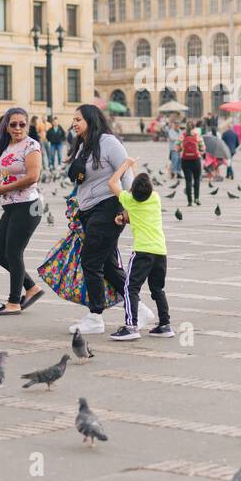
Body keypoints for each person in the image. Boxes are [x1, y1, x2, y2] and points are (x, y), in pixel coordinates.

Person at [67, 104, 133, 336]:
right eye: (73, 119)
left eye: (78, 119)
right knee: (106, 265)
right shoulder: (84, 145)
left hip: (109, 208)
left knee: (90, 261)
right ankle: (138, 308)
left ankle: (95, 316)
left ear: (91, 120)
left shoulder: (109, 142)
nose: (74, 123)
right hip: (89, 210)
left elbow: (127, 172)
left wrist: (128, 208)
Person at [0, 109, 45, 315]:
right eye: (13, 124)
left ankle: (13, 302)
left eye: (22, 124)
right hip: (10, 206)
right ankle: (31, 287)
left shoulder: (31, 145)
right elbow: (4, 172)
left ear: (28, 125)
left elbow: (33, 176)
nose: (18, 128)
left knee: (13, 252)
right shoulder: (5, 146)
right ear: (6, 126)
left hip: (28, 206)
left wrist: (5, 189)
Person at [107, 157, 173, 340]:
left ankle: (131, 326)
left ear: (133, 191)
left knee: (130, 288)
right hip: (160, 251)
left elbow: (112, 182)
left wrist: (126, 166)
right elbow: (140, 193)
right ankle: (165, 324)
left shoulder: (129, 200)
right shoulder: (156, 198)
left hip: (143, 252)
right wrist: (132, 171)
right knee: (158, 289)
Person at [178, 126, 205, 205]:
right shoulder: (197, 136)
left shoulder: (182, 136)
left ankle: (189, 201)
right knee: (196, 180)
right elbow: (203, 149)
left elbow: (177, 148)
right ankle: (196, 199)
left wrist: (182, 150)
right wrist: (199, 151)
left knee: (188, 181)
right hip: (196, 160)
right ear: (193, 128)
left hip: (185, 160)